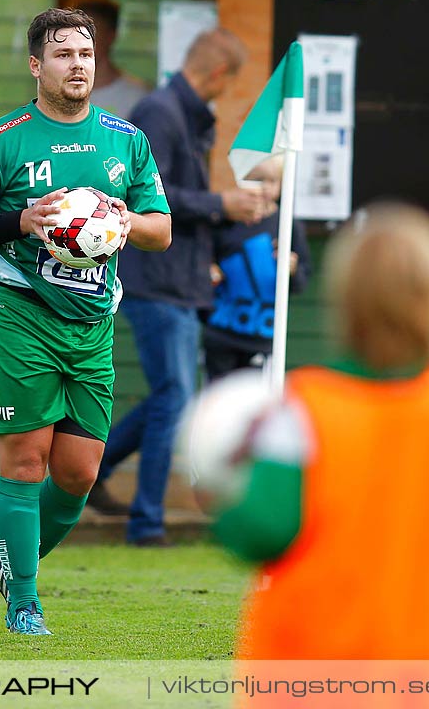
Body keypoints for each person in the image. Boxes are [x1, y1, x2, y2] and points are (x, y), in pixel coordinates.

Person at [0, 6, 172, 636]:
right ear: (37, 65)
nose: (79, 66)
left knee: (78, 474)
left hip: (92, 322)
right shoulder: (1, 139)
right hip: (20, 313)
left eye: (87, 55)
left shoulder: (127, 140)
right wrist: (23, 220)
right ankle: (24, 606)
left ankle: (15, 563)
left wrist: (124, 222)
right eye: (65, 54)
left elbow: (161, 229)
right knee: (25, 461)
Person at [210, 204, 429, 662]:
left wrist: (221, 491)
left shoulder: (304, 407)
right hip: (425, 668)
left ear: (345, 303)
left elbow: (259, 533)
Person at [88, 28, 269, 544]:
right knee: (176, 396)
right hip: (155, 281)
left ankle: (98, 473)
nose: (224, 94)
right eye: (228, 84)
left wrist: (209, 244)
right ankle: (146, 524)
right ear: (216, 74)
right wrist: (222, 206)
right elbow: (150, 202)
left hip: (180, 281)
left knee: (173, 396)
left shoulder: (181, 115)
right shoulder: (160, 114)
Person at [202, 158, 312, 383]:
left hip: (262, 334)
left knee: (254, 400)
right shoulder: (226, 220)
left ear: (282, 185)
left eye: (271, 181)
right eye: (255, 180)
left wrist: (292, 268)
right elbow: (205, 258)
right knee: (218, 397)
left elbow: (302, 279)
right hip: (221, 330)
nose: (263, 187)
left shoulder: (287, 224)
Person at [68, 0, 149, 118]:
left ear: (111, 35)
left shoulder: (137, 96)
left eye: (91, 33)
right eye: (74, 33)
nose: (81, 42)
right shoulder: (57, 91)